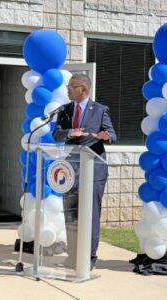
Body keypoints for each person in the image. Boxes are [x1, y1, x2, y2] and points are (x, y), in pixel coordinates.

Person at [52, 73, 116, 269]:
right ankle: (73, 256)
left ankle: (89, 258)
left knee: (90, 215)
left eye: (72, 87)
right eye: (68, 86)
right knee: (71, 214)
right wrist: (70, 132)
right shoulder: (64, 110)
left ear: (84, 89)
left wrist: (105, 136)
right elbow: (56, 134)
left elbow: (112, 135)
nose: (68, 90)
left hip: (93, 170)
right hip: (70, 171)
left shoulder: (100, 110)